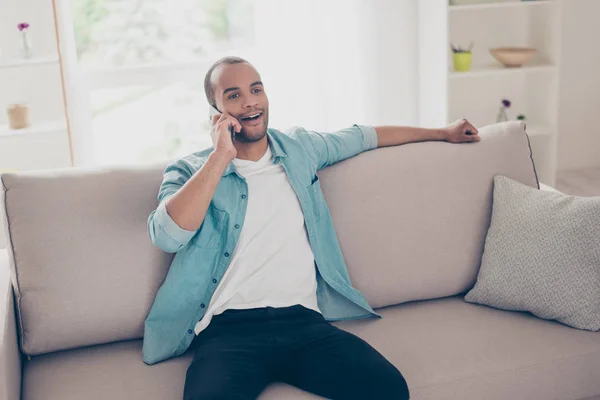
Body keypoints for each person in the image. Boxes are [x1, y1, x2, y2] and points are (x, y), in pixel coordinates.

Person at [143, 56, 480, 400]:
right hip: (228, 333)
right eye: (233, 95)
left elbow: (367, 136)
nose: (249, 101)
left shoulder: (300, 148)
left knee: (389, 389)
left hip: (304, 326)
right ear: (215, 111)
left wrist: (442, 132)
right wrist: (220, 156)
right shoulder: (190, 170)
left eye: (256, 89)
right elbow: (168, 235)